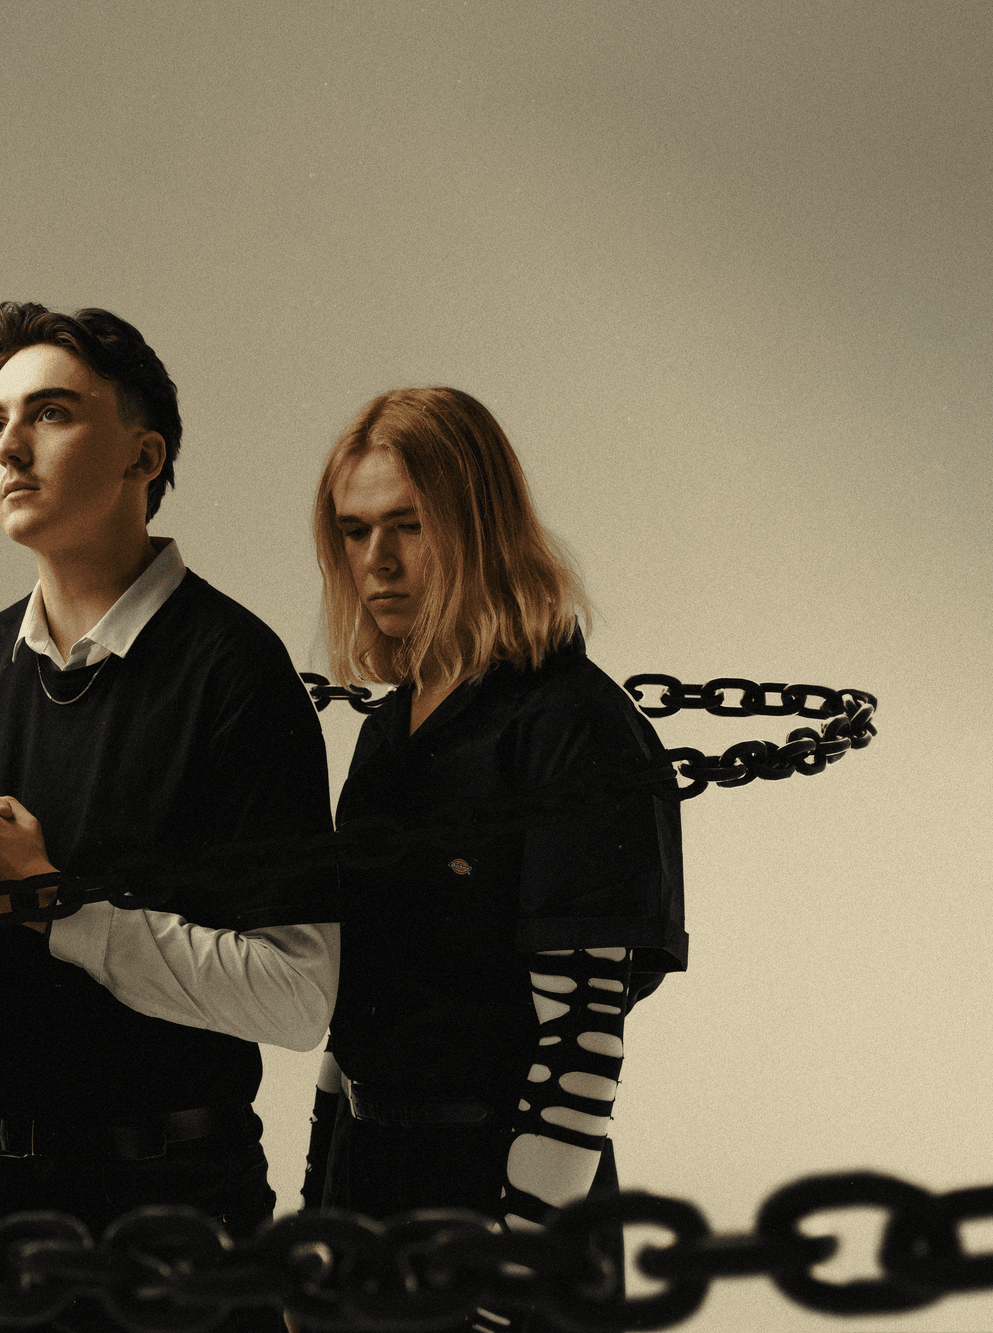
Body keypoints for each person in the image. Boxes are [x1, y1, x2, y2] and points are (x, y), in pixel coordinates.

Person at [0, 303, 336, 1333]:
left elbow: (297, 996)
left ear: (143, 456)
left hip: (176, 1230)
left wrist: (52, 905)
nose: (9, 446)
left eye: (50, 413)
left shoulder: (235, 671)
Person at [299, 387, 689, 1333]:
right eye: (354, 530)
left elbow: (581, 1048)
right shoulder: (389, 731)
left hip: (507, 1202)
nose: (378, 561)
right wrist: (313, 1217)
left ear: (479, 525)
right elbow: (357, 1002)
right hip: (368, 1189)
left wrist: (512, 1286)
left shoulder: (574, 729)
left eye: (409, 525)